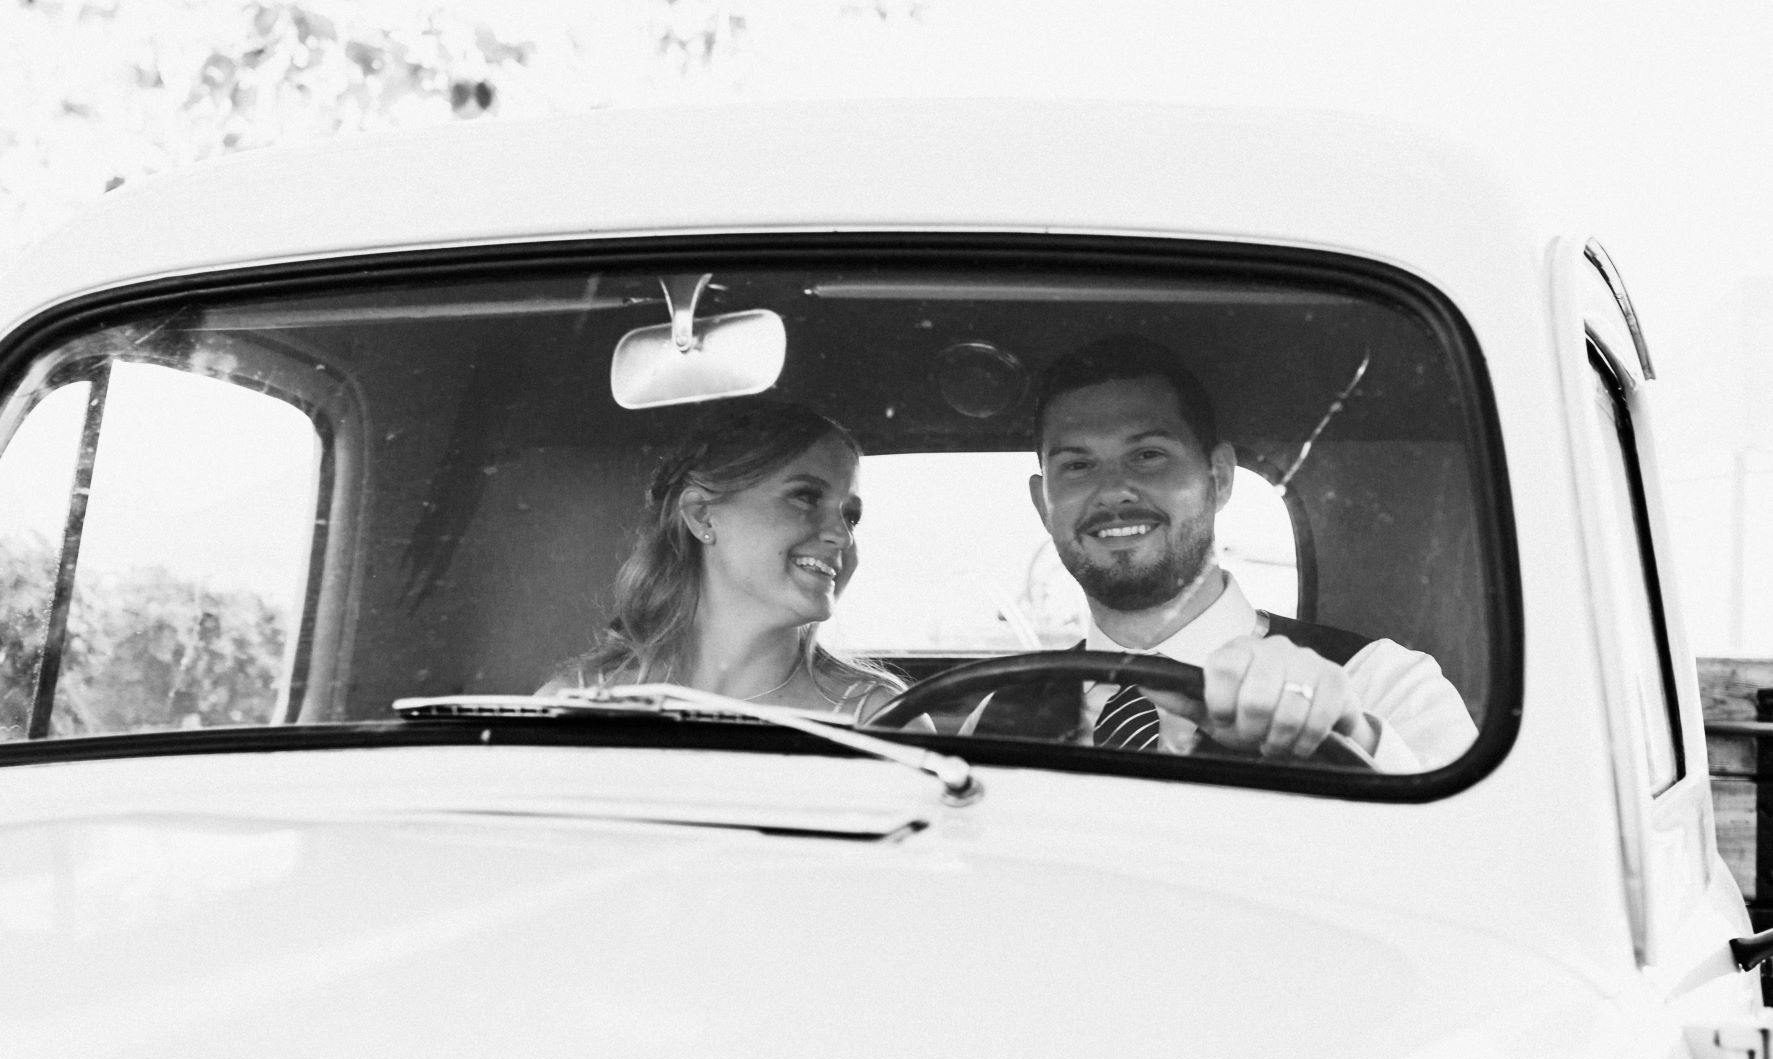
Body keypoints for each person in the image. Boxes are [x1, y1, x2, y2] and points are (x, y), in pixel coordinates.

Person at [977, 334, 1477, 771]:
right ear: (1043, 504)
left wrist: (1352, 739)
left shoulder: (1380, 683)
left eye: (1148, 456)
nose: (1113, 492)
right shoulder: (996, 716)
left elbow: (1482, 860)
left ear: (1219, 478)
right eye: (1078, 466)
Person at [542, 398, 902, 718]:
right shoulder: (573, 706)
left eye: (851, 517)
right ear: (702, 515)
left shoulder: (879, 721)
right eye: (805, 497)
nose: (842, 535)